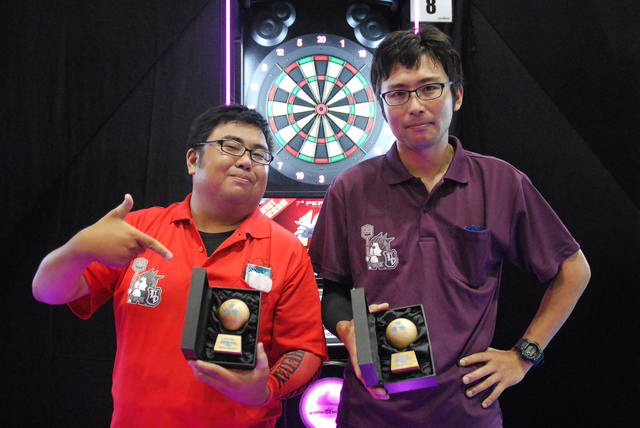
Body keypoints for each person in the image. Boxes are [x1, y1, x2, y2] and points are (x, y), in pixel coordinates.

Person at [309, 27, 590, 427]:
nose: (415, 106)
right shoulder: (350, 188)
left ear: (456, 95)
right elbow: (333, 288)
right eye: (398, 93)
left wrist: (524, 355)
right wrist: (348, 329)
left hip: (466, 411)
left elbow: (573, 270)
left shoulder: (500, 183)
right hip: (372, 412)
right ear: (382, 104)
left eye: (429, 88)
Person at [32, 105, 328, 427]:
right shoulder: (138, 231)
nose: (246, 161)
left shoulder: (287, 250)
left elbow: (306, 350)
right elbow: (47, 292)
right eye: (231, 147)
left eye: (259, 154)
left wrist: (265, 389)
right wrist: (78, 249)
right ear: (192, 160)